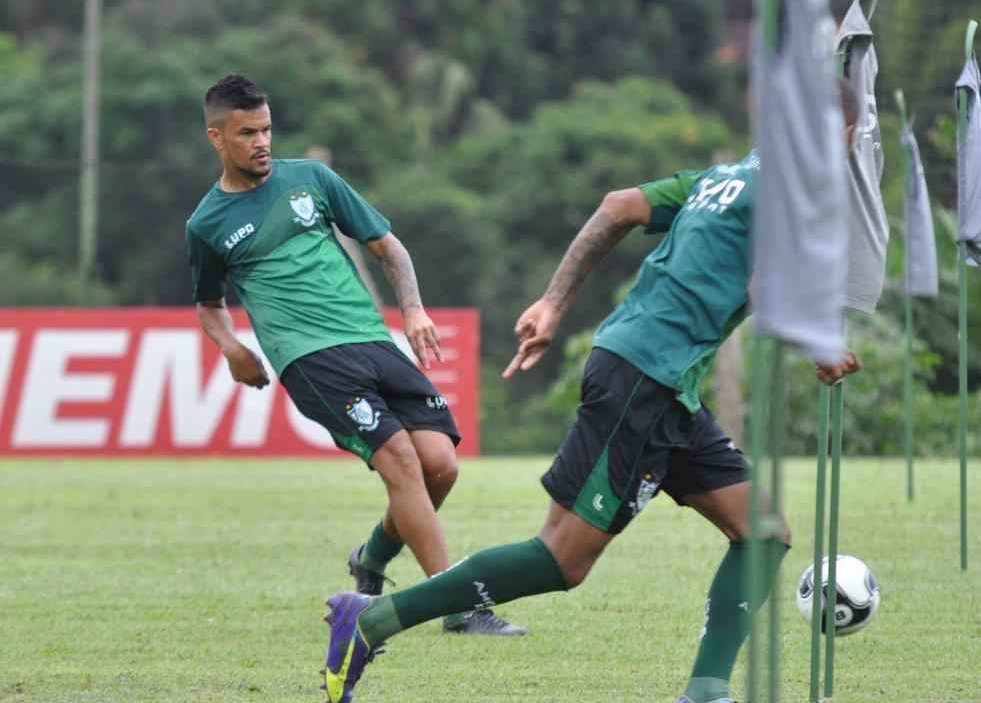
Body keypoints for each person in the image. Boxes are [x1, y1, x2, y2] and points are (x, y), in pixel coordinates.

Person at [318, 82, 863, 703]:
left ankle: (707, 691)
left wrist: (554, 302)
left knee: (762, 529)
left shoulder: (722, 178)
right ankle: (369, 619)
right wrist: (820, 345)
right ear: (836, 136)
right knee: (561, 560)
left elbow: (618, 205)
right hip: (643, 380)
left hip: (663, 383)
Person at [185, 74, 525, 638]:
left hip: (371, 338)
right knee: (401, 462)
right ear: (217, 139)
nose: (262, 142)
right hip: (311, 359)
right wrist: (232, 348)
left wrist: (412, 310)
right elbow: (208, 303)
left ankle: (370, 558)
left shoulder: (312, 179)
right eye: (247, 133)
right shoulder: (206, 224)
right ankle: (459, 606)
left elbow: (388, 248)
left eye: (267, 129)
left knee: (440, 465)